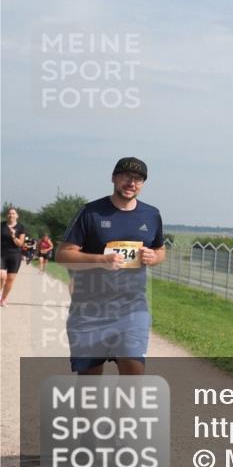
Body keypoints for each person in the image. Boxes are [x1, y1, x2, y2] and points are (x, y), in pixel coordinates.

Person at [55, 157, 166, 376]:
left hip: (132, 308)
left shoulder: (152, 215)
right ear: (114, 178)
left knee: (134, 373)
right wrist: (101, 260)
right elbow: (62, 255)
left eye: (138, 179)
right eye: (126, 176)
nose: (131, 182)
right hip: (90, 310)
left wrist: (154, 257)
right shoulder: (90, 212)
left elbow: (161, 250)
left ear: (142, 184)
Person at [1, 207, 27, 306]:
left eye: (13, 213)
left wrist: (13, 236)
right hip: (1, 254)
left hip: (15, 255)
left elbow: (20, 244)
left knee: (10, 279)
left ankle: (3, 299)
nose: (11, 215)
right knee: (2, 276)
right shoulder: (2, 225)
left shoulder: (21, 227)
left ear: (17, 216)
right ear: (7, 215)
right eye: (9, 213)